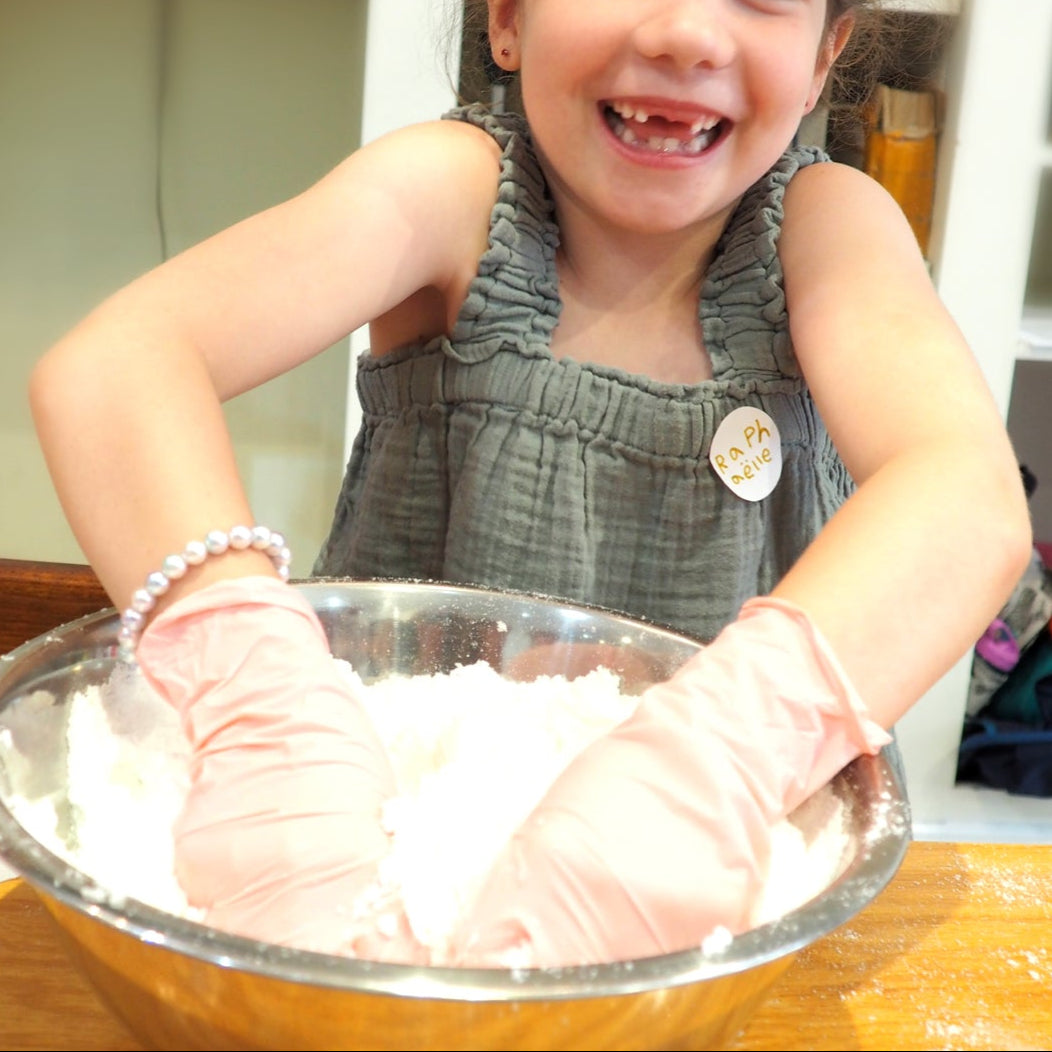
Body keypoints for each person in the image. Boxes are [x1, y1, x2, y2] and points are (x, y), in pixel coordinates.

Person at [29, 0, 1031, 967]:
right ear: (506, 16)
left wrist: (708, 763)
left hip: (681, 883)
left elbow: (961, 494)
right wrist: (261, 704)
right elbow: (117, 366)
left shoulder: (824, 229)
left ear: (824, 56)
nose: (684, 31)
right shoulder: (451, 195)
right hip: (366, 841)